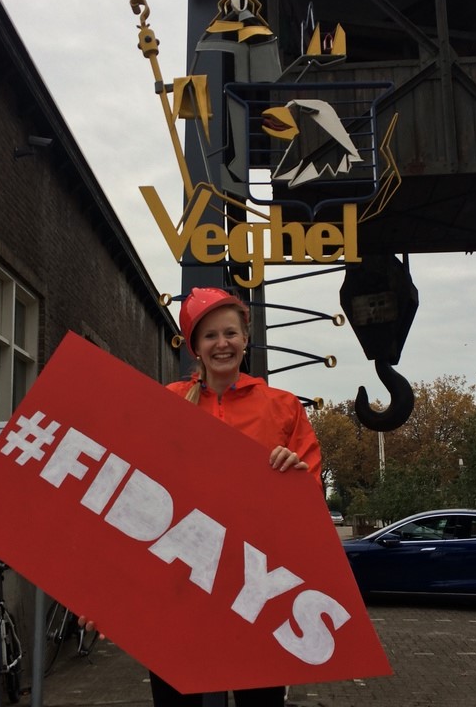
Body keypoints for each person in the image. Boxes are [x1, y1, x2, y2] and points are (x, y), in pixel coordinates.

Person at [82, 286, 323, 707]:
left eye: (230, 333)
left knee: (259, 700)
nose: (222, 344)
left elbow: (311, 499)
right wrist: (104, 591)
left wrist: (296, 474)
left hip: (253, 587)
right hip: (178, 585)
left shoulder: (283, 407)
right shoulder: (167, 403)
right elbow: (129, 494)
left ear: (246, 338)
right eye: (210, 336)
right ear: (195, 346)